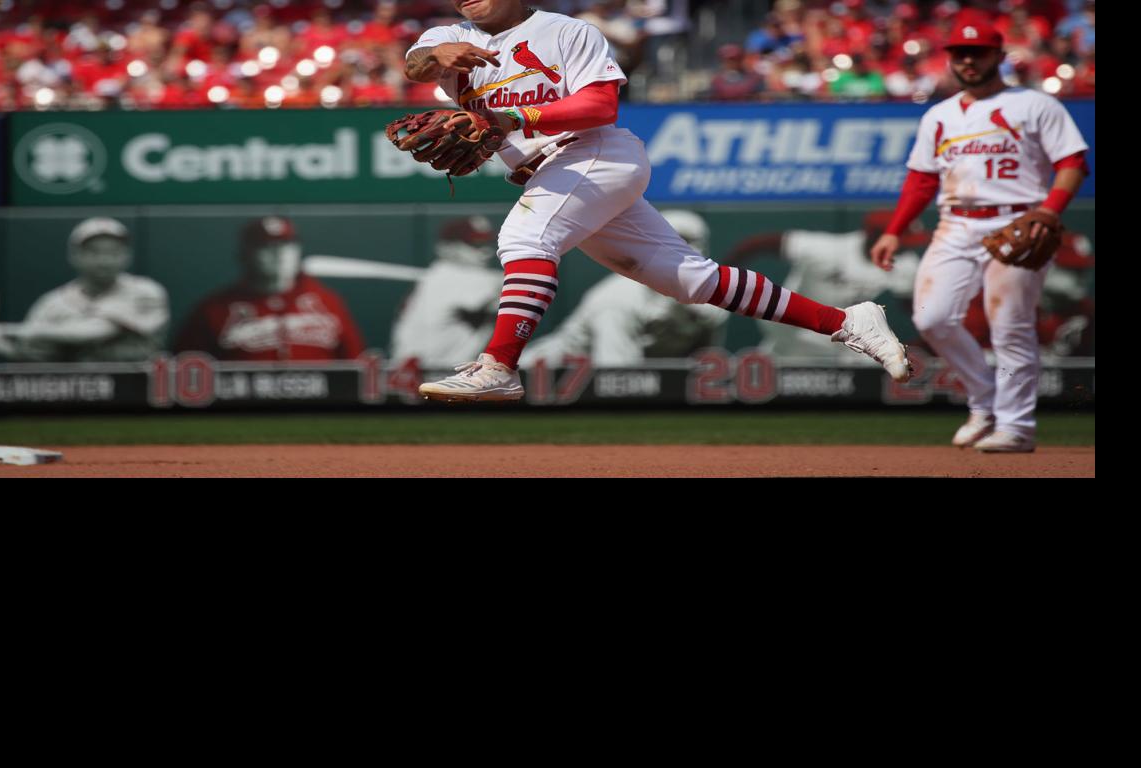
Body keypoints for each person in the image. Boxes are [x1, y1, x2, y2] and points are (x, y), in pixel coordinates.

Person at [401, 0, 911, 403]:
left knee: (526, 237)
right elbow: (416, 64)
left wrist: (516, 121)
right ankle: (848, 323)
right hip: (549, 172)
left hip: (592, 152)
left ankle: (498, 366)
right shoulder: (448, 36)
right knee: (693, 280)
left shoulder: (566, 31)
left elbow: (600, 104)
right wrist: (434, 57)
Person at [869, 14, 1088, 453]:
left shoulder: (1035, 105)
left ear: (999, 56)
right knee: (932, 317)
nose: (968, 60)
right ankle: (984, 401)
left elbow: (1073, 163)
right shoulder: (940, 115)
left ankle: (1017, 425)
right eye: (959, 53)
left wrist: (1049, 211)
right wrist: (894, 230)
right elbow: (921, 179)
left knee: (1010, 325)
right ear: (949, 58)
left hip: (1018, 220)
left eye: (978, 52)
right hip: (955, 223)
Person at [524, 210, 728, 366]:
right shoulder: (619, 298)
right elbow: (616, 378)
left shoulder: (709, 302)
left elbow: (701, 373)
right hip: (542, 374)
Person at [725, 210, 928, 367]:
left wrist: (920, 344)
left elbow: (915, 309)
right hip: (794, 333)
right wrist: (724, 282)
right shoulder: (825, 249)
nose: (907, 247)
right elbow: (755, 244)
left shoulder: (905, 264)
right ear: (876, 236)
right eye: (903, 241)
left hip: (845, 339)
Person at [174, 216, 366, 361]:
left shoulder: (327, 302)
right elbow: (183, 371)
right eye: (266, 247)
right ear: (244, 254)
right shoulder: (214, 309)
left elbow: (356, 365)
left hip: (320, 408)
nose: (278, 254)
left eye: (286, 246)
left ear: (298, 251)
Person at [0, 218, 169, 363]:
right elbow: (35, 357)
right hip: (75, 396)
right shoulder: (52, 303)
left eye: (114, 252)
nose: (105, 260)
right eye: (94, 252)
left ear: (127, 256)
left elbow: (95, 331)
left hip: (141, 393)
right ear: (74, 256)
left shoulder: (147, 292)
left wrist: (7, 330)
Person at [389, 216, 506, 368]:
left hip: (419, 371)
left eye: (488, 243)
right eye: (476, 244)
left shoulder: (437, 274)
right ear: (449, 247)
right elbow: (519, 289)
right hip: (432, 374)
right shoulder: (454, 276)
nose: (486, 251)